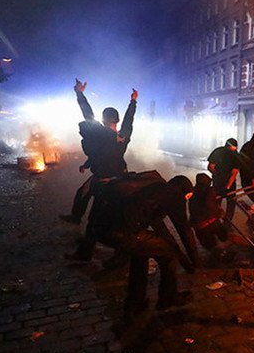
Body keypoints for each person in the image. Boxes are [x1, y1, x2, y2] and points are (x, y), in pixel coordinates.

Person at [79, 173, 200, 318]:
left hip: (103, 229)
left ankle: (134, 306)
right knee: (169, 255)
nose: (186, 200)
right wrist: (196, 260)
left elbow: (161, 230)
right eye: (187, 196)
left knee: (141, 255)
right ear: (183, 190)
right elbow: (184, 230)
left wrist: (186, 261)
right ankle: (168, 298)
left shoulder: (156, 191)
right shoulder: (174, 194)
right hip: (124, 232)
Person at [60, 79, 137, 224]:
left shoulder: (99, 133)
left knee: (83, 193)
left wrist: (79, 93)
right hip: (120, 174)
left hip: (102, 176)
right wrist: (133, 102)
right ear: (117, 120)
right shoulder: (123, 135)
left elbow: (87, 113)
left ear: (103, 120)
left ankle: (77, 218)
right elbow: (129, 120)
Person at [189, 173, 230, 260]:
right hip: (211, 222)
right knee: (228, 238)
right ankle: (251, 246)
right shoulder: (210, 190)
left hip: (199, 226)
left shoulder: (192, 193)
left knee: (211, 247)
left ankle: (219, 257)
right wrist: (219, 212)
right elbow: (210, 204)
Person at [207, 138, 241, 222]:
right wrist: (228, 185)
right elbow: (235, 172)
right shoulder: (235, 155)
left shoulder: (217, 151)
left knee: (216, 201)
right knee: (231, 203)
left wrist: (216, 175)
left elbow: (210, 166)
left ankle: (215, 220)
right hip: (230, 183)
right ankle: (227, 222)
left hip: (218, 181)